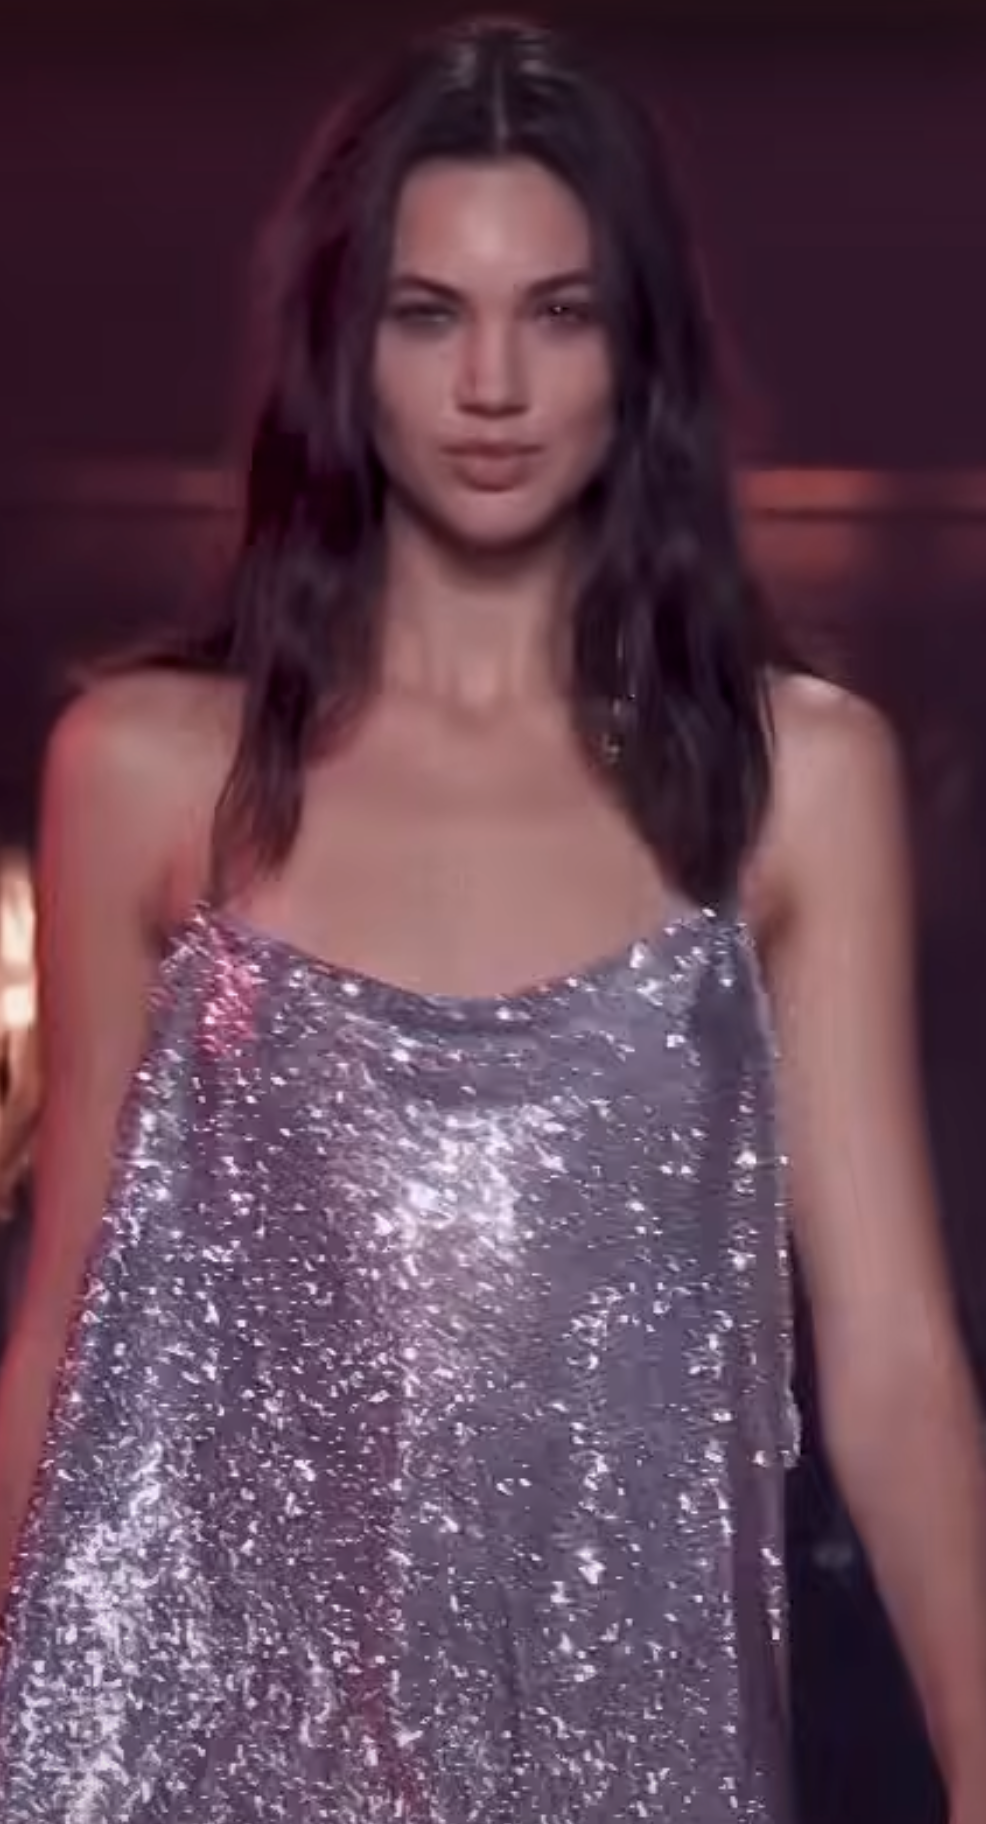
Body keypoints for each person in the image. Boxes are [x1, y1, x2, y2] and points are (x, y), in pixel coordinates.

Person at [0, 16, 984, 1822]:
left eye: (560, 312)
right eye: (427, 312)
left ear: (637, 350)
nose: (493, 385)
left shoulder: (788, 783)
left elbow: (894, 1365)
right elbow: (66, 1336)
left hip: (630, 1752)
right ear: (342, 346)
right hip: (174, 1760)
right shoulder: (144, 773)